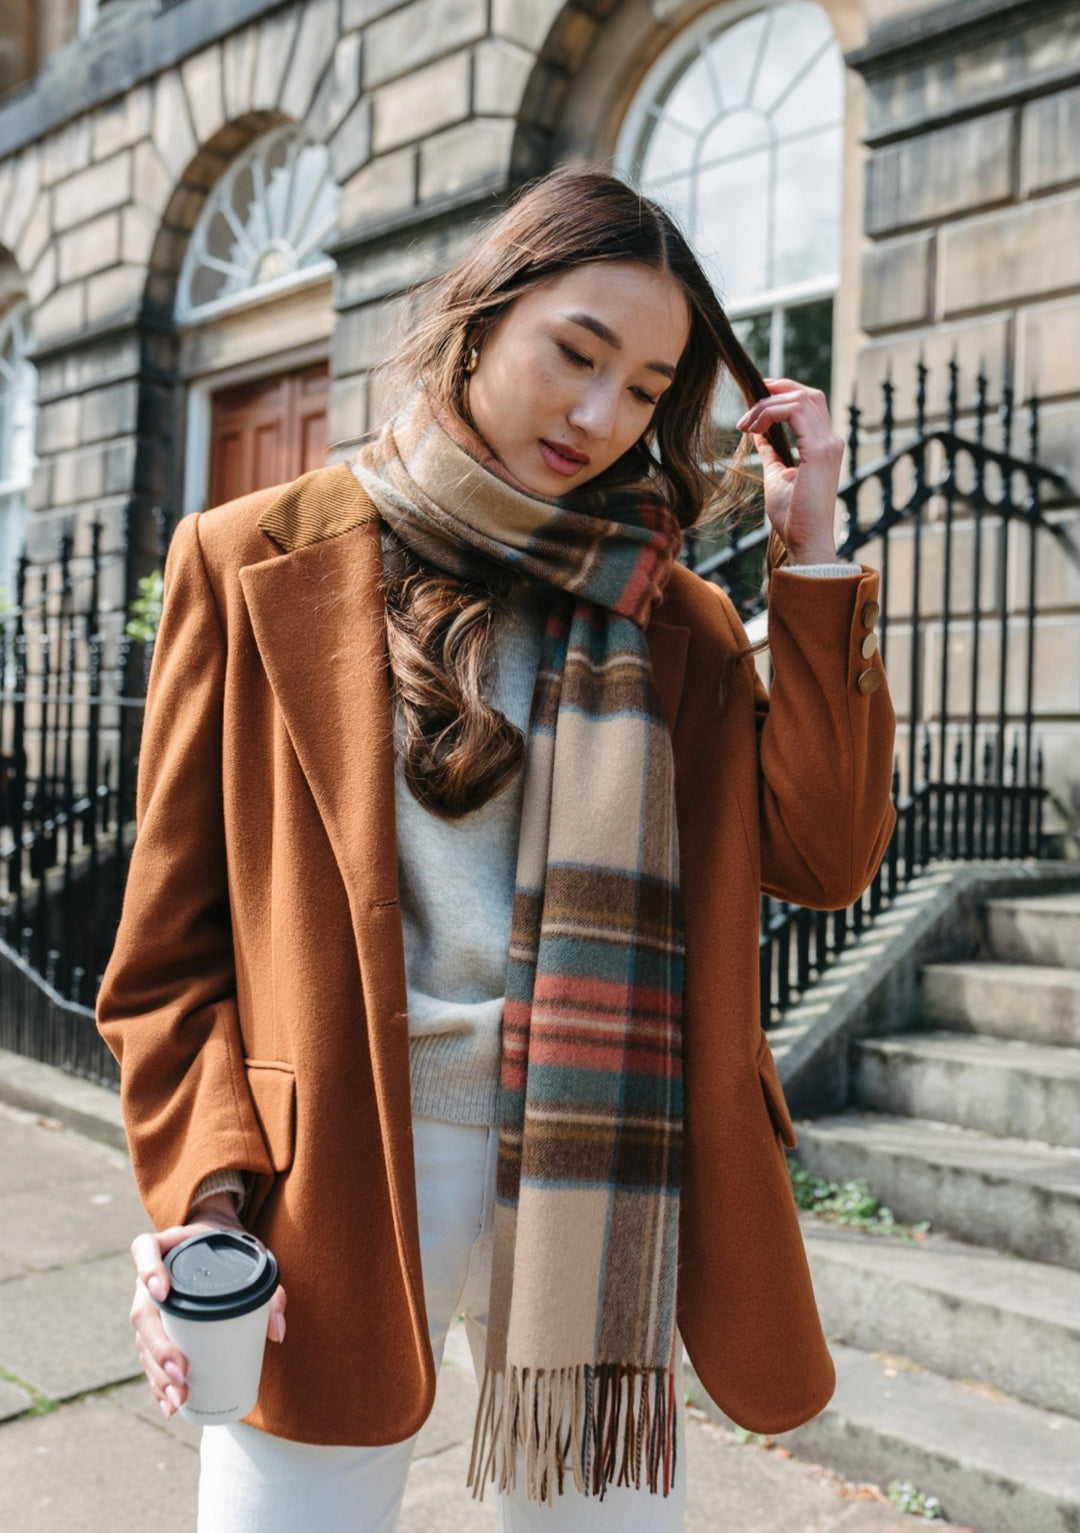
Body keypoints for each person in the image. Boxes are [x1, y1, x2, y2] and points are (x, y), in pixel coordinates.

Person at [96, 166, 896, 1532]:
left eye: (647, 390)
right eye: (575, 353)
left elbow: (823, 855)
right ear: (482, 314)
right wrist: (205, 1192)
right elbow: (167, 958)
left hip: (599, 1174)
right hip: (336, 1176)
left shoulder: (676, 623)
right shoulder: (249, 559)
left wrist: (811, 552)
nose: (600, 417)